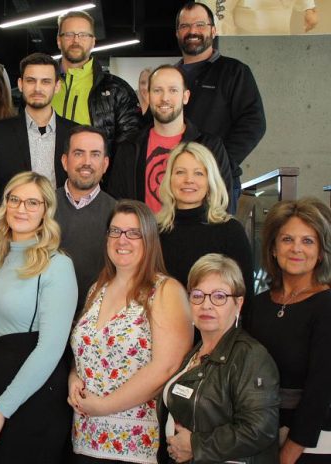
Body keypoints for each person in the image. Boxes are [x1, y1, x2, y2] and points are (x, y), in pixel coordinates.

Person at [69, 200, 192, 463]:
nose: (122, 240)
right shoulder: (97, 289)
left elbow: (166, 369)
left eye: (133, 233)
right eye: (115, 231)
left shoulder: (165, 291)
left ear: (149, 239)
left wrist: (102, 406)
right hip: (85, 439)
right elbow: (84, 355)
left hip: (136, 445)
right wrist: (73, 379)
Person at [0, 172, 78, 463]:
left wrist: (3, 409)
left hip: (35, 395)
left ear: (46, 211)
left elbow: (50, 349)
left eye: (33, 202)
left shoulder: (58, 265)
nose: (21, 208)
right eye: (14, 199)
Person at [159, 253, 280, 463]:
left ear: (239, 303)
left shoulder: (251, 356)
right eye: (198, 295)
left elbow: (260, 429)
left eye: (219, 296)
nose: (206, 305)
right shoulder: (193, 351)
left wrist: (195, 446)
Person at [246, 198, 331, 464]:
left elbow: (322, 388)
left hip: (310, 445)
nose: (296, 249)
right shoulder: (257, 305)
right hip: (259, 436)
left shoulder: (327, 305)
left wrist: (288, 455)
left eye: (308, 241)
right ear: (272, 248)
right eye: (287, 240)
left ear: (321, 251)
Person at [107, 65, 232, 213]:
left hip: (193, 235)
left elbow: (222, 203)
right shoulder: (129, 147)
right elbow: (117, 203)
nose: (164, 98)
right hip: (144, 235)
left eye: (173, 90)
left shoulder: (210, 146)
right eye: (157, 90)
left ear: (185, 97)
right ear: (147, 95)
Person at [175, 1, 266, 206]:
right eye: (185, 26)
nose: (192, 31)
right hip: (175, 183)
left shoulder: (234, 72)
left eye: (200, 25)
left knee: (217, 238)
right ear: (177, 33)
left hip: (218, 182)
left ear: (213, 30)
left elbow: (254, 123)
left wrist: (217, 164)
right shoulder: (170, 78)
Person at [157, 141, 253, 317]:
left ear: (210, 181)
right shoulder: (155, 231)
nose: (189, 180)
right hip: (163, 332)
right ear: (169, 179)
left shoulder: (230, 231)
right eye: (180, 172)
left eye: (199, 173)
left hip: (215, 336)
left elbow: (246, 299)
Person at [0, 53, 77, 206]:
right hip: (13, 222)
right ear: (20, 84)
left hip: (62, 224)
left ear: (57, 86)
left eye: (45, 82)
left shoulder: (75, 133)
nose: (37, 88)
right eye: (31, 81)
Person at [52, 10, 141, 155]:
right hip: (46, 176)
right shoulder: (42, 87)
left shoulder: (118, 90)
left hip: (97, 176)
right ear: (58, 40)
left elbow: (130, 146)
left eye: (83, 35)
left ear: (93, 41)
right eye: (69, 34)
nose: (76, 40)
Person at [55, 125, 116, 315]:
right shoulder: (41, 206)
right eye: (79, 153)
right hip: (42, 317)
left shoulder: (118, 214)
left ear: (105, 164)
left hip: (95, 321)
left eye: (95, 154)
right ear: (65, 161)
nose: (87, 162)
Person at [213, 0, 318, 35]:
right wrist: (231, 41)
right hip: (245, 45)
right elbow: (223, 12)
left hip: (283, 45)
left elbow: (307, 4)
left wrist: (309, 9)